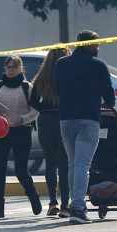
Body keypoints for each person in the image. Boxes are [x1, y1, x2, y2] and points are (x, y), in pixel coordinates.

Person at [54, 30, 116, 225]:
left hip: (65, 119)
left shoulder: (61, 64)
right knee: (82, 165)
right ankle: (78, 208)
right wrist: (108, 102)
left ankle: (74, 203)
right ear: (90, 45)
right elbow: (109, 94)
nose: (98, 48)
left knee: (73, 164)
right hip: (88, 118)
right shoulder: (98, 65)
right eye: (97, 45)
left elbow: (58, 89)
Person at [0, 55, 41, 219]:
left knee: (21, 170)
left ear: (21, 69)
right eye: (8, 67)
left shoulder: (27, 87)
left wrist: (22, 119)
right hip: (2, 132)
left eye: (15, 67)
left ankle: (34, 197)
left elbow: (35, 111)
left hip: (22, 130)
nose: (11, 71)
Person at [30, 47, 72, 217]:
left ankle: (52, 202)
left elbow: (32, 101)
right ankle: (65, 205)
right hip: (63, 120)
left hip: (45, 122)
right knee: (64, 165)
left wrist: (44, 109)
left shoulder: (41, 78)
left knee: (50, 163)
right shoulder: (68, 76)